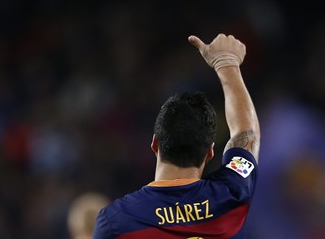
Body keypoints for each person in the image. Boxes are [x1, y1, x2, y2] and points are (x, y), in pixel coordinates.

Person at [93, 33, 260, 238]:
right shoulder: (232, 193)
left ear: (155, 144)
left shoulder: (115, 222)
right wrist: (227, 63)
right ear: (209, 153)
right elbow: (246, 134)